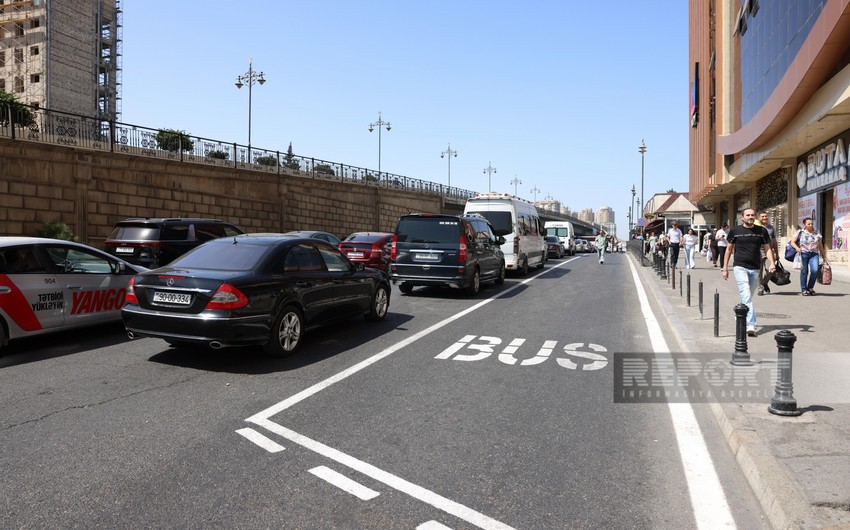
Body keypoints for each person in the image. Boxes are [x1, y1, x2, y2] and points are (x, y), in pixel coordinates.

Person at [722, 208, 775, 336]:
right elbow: (728, 250)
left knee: (748, 296)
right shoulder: (735, 231)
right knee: (746, 294)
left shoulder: (762, 231)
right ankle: (751, 324)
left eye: (752, 215)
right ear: (743, 217)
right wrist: (725, 268)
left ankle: (739, 312)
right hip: (740, 266)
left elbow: (767, 248)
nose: (750, 217)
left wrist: (772, 262)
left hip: (755, 267)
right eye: (748, 215)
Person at [790, 216, 827, 296]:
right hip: (803, 254)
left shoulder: (817, 232)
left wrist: (824, 256)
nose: (811, 225)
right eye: (809, 224)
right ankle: (804, 289)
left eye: (812, 223)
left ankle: (810, 287)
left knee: (815, 270)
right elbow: (792, 242)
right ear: (805, 224)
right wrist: (797, 248)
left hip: (814, 254)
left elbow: (820, 245)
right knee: (804, 272)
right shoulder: (800, 232)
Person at [756, 211, 779, 295]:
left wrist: (777, 253)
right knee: (759, 271)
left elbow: (774, 241)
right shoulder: (756, 228)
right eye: (762, 216)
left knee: (771, 270)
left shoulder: (771, 228)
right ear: (759, 218)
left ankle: (764, 282)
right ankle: (760, 288)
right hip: (758, 250)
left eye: (766, 216)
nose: (765, 218)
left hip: (769, 251)